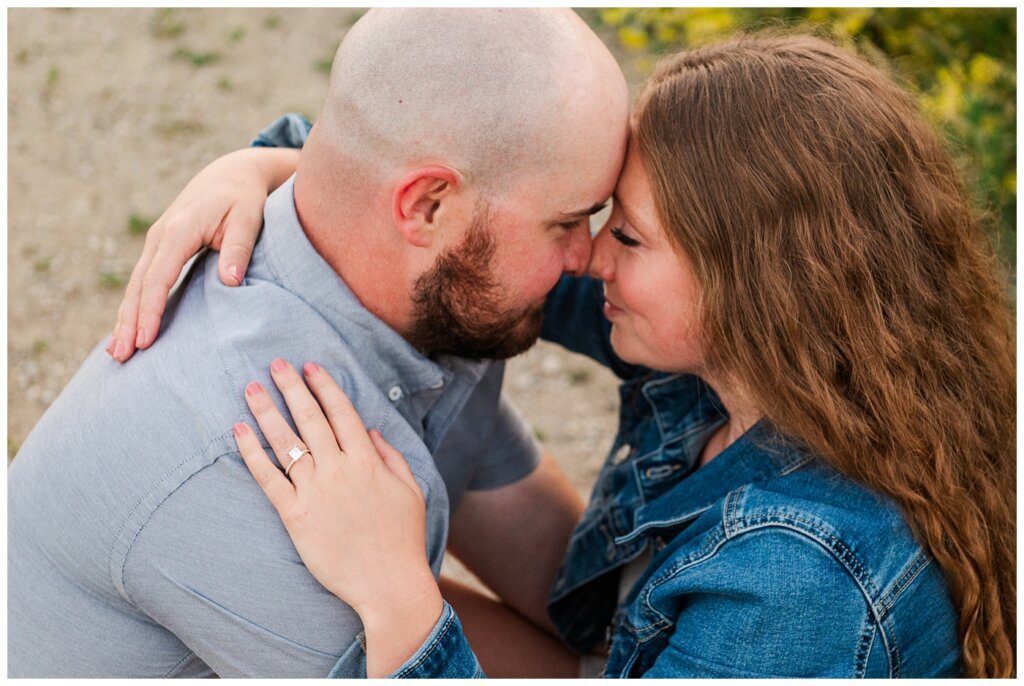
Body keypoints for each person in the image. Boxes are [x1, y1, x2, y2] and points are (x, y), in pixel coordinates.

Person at [112, 33, 1016, 678]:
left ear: (756, 286)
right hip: (617, 646)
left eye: (624, 235)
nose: (585, 258)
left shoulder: (800, 581)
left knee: (334, 612)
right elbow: (434, 228)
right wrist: (253, 171)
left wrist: (399, 599)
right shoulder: (767, 363)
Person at [7, 9, 628, 677]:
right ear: (425, 206)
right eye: (568, 221)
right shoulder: (248, 456)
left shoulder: (434, 297)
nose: (586, 256)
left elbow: (584, 609)